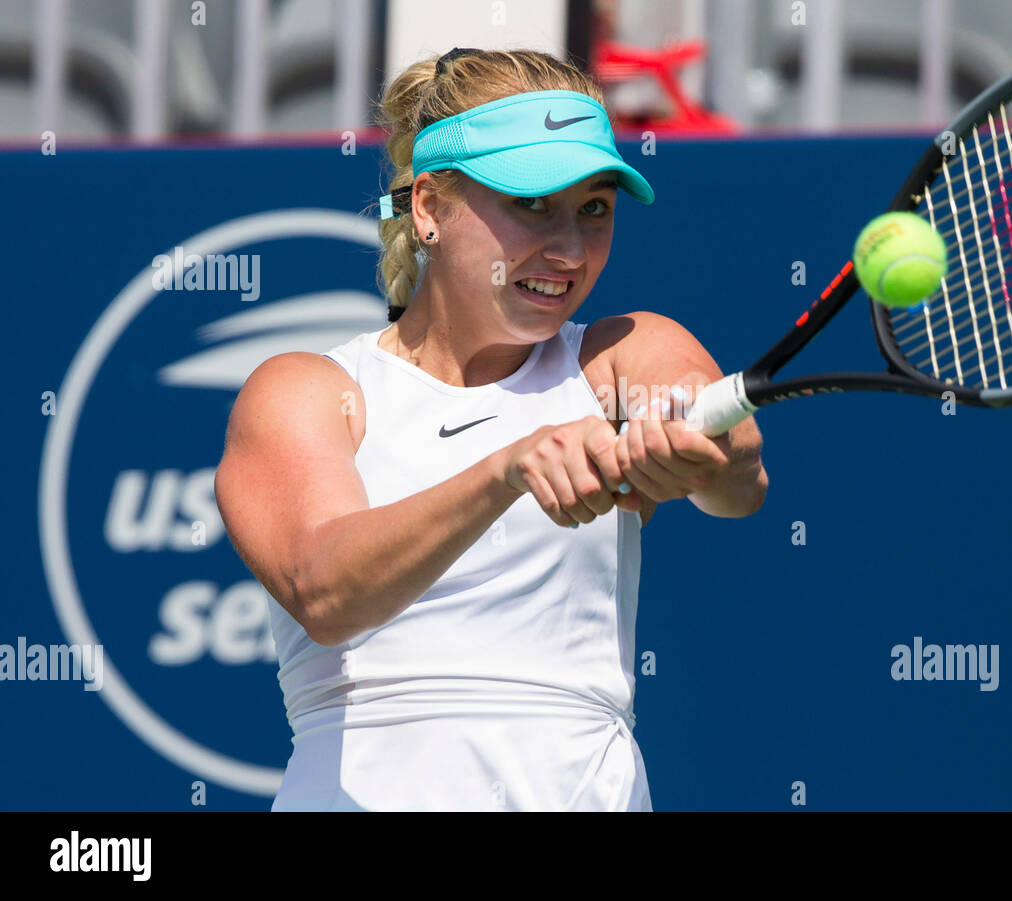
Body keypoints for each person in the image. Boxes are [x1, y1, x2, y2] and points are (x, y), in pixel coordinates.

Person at [214, 47, 767, 811]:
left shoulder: (618, 356)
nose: (569, 249)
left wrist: (697, 453)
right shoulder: (309, 390)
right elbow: (326, 590)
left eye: (594, 208)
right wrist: (506, 469)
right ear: (430, 208)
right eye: (532, 203)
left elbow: (737, 474)